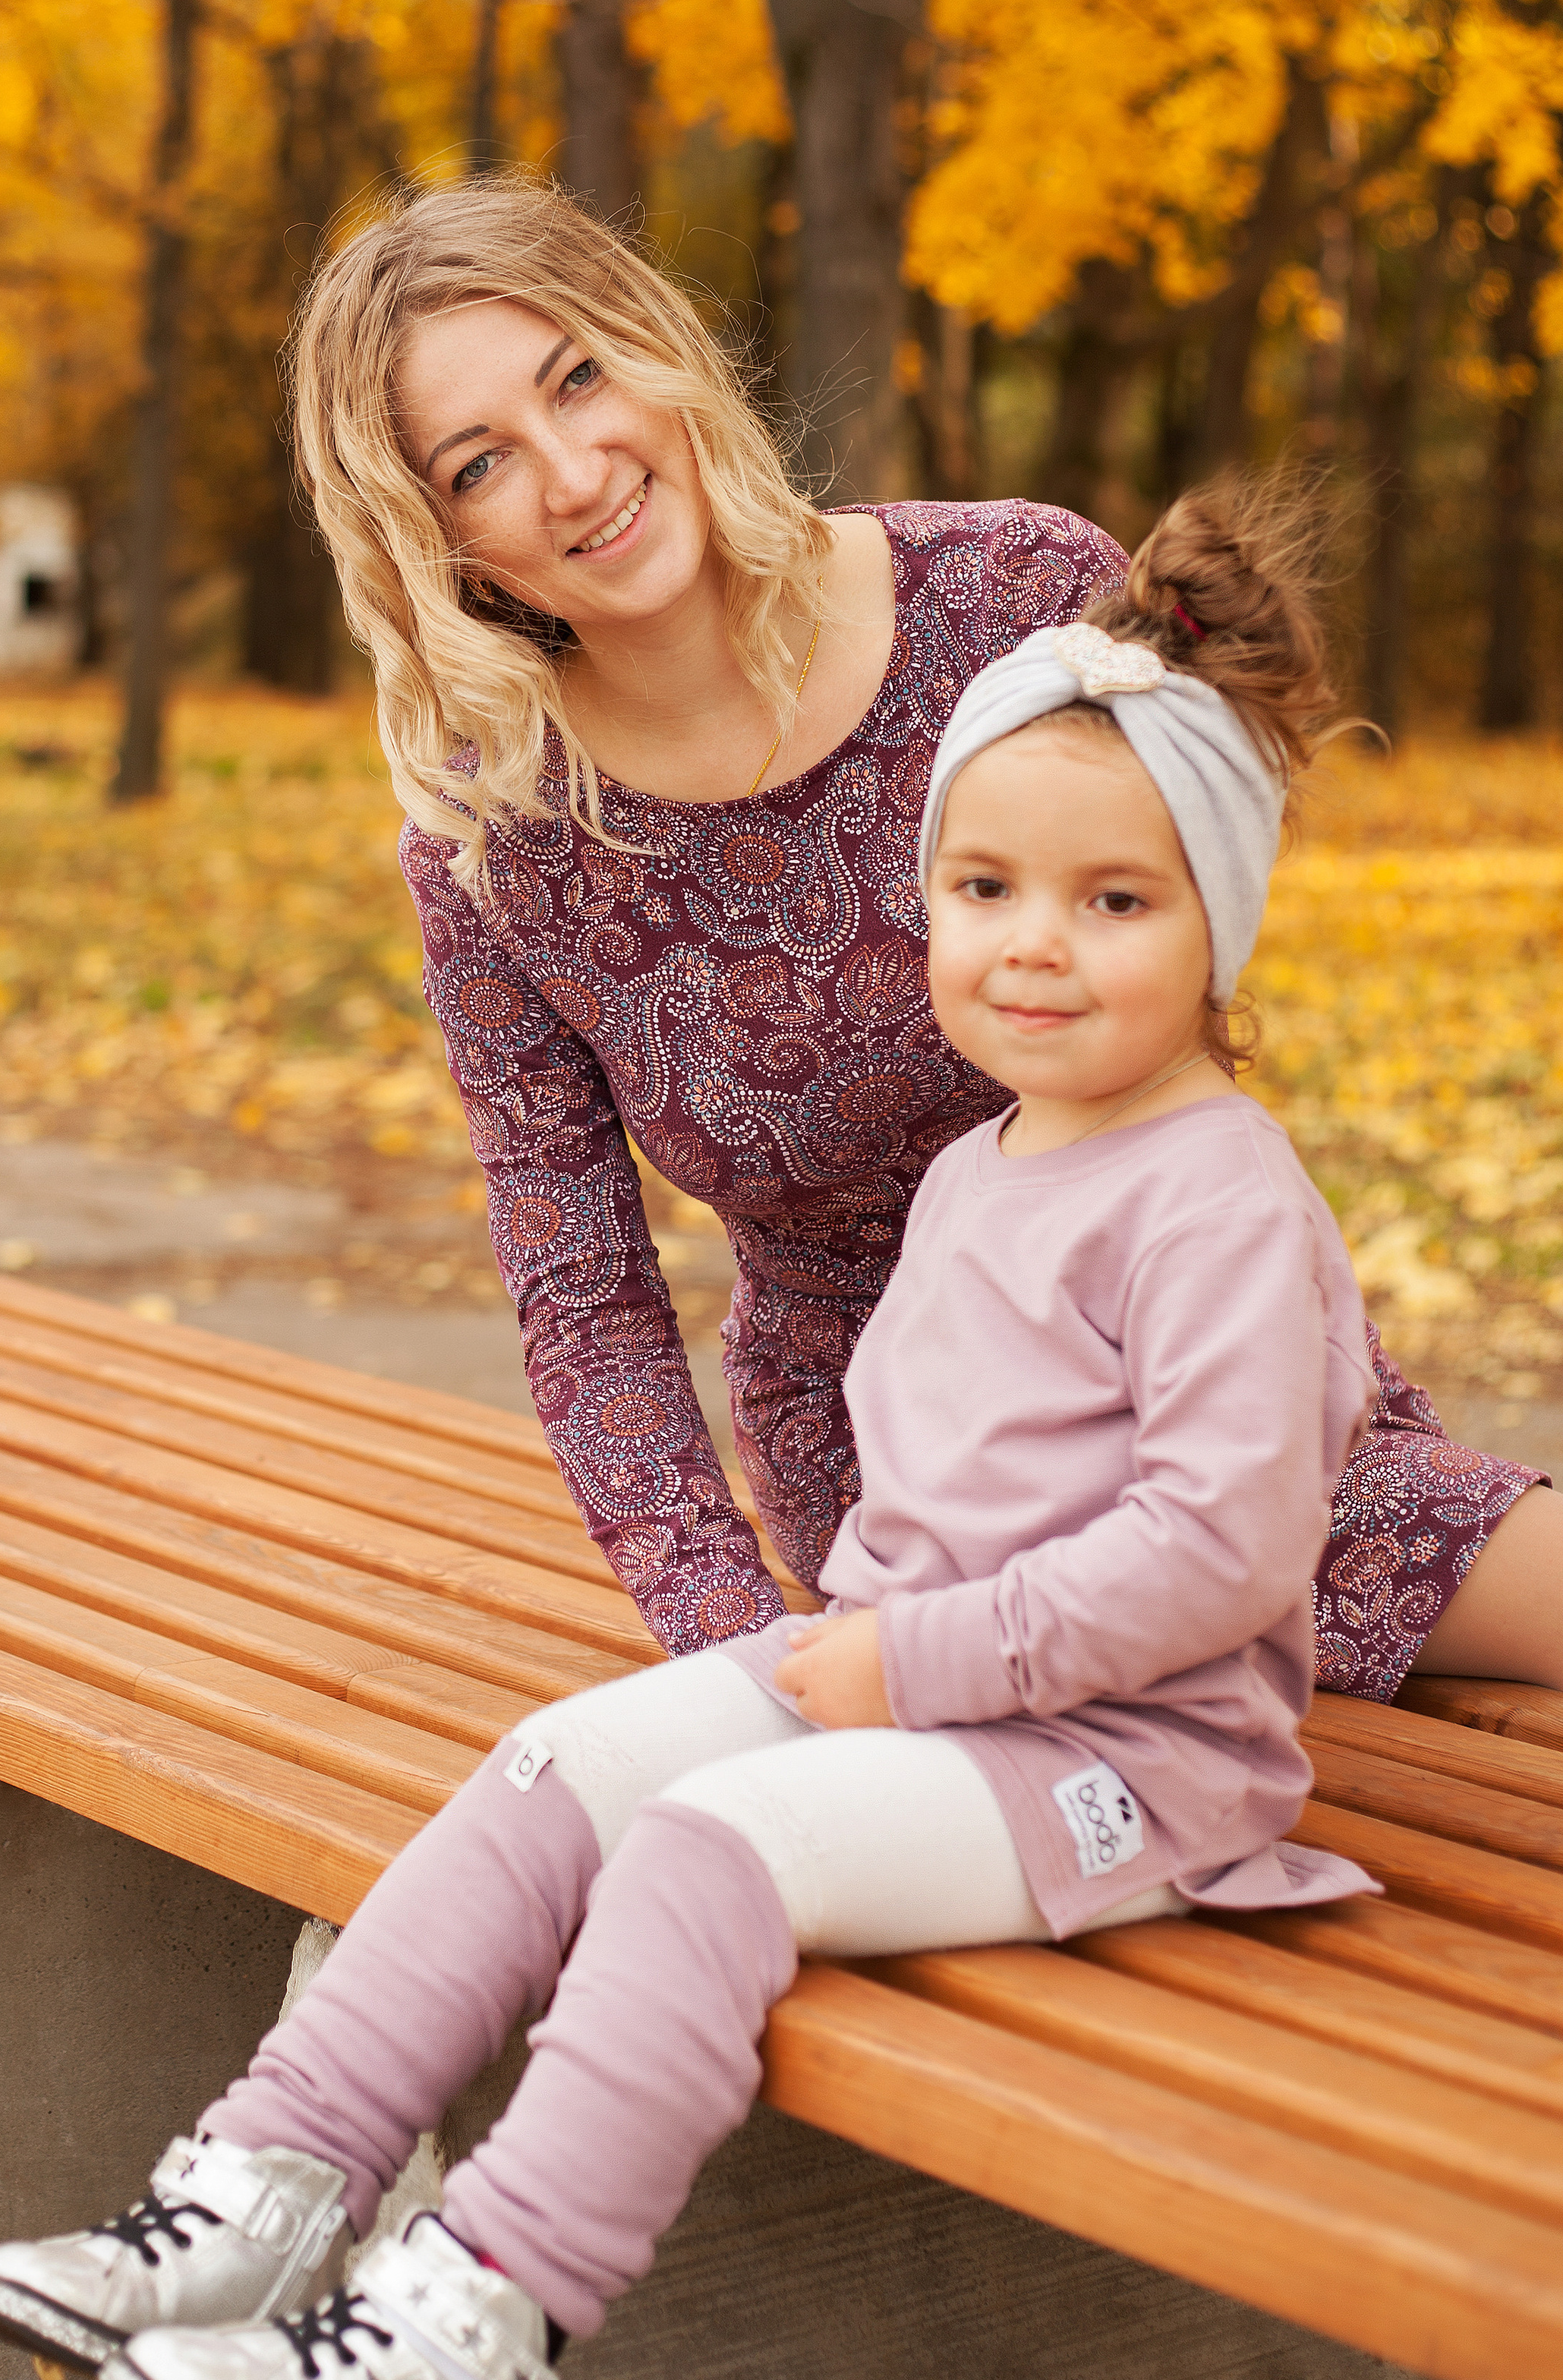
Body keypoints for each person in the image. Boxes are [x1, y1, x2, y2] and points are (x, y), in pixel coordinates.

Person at [0, 481, 1390, 2380]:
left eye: (1111, 901)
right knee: (557, 1764)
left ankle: (471, 2323)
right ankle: (263, 2189)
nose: (1032, 950)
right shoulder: (986, 1157)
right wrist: (864, 1664)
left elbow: (1222, 1550)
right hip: (920, 1691)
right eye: (980, 892)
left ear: (1217, 915)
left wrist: (911, 1672)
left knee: (708, 1858)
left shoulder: (1213, 1192)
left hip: (1127, 1775)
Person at [282, 175, 1555, 1694]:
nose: (571, 472)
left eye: (579, 377)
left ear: (655, 348)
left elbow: (1206, 934)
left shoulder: (1009, 598)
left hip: (1196, 1371)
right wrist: (739, 1655)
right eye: (479, 462)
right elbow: (586, 1307)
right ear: (433, 541)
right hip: (910, 1491)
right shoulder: (496, 849)